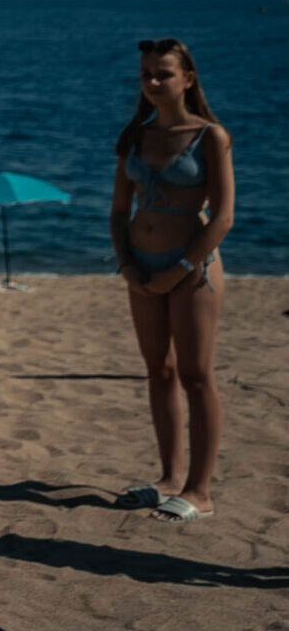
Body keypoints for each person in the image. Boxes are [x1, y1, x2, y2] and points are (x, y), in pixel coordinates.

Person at [110, 36, 236, 523]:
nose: (153, 82)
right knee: (158, 371)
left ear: (188, 78)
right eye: (145, 74)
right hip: (140, 265)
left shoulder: (211, 136)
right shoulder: (135, 137)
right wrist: (127, 265)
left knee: (196, 375)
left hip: (193, 268)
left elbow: (223, 217)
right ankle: (168, 478)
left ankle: (199, 490)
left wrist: (179, 271)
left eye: (163, 73)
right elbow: (119, 212)